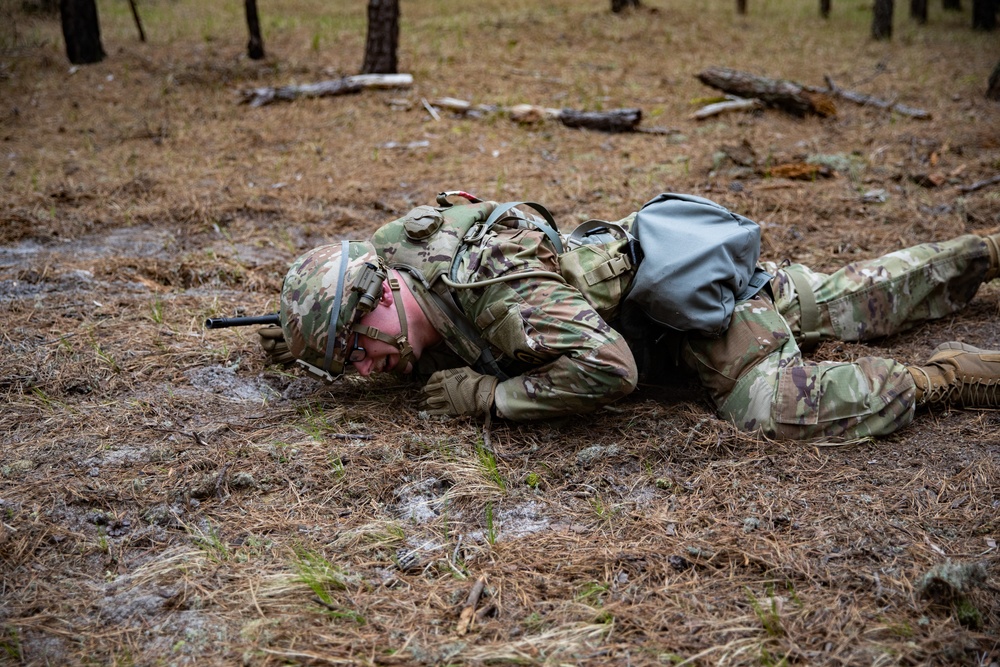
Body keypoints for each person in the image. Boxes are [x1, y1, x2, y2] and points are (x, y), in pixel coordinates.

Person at [258, 193, 1000, 441]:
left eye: (355, 348)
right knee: (851, 292)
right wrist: (299, 330)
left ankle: (945, 375)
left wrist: (492, 398)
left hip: (690, 326)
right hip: (661, 270)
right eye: (344, 361)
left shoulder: (495, 288)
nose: (362, 369)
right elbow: (337, 286)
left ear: (380, 297)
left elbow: (611, 368)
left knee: (772, 411)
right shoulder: (403, 249)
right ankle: (982, 252)